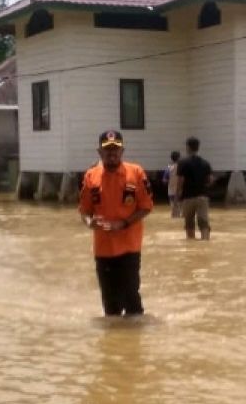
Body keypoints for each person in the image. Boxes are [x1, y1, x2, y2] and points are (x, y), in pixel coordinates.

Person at [78, 130, 153, 316]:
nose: (112, 154)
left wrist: (124, 223)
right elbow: (84, 211)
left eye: (116, 149)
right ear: (99, 152)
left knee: (132, 301)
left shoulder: (136, 173)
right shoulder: (90, 176)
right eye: (107, 150)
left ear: (122, 151)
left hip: (129, 248)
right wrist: (90, 222)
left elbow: (146, 207)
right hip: (103, 250)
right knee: (110, 305)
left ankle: (135, 342)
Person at [176, 136, 214, 240]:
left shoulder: (183, 162)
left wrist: (177, 195)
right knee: (204, 222)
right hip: (202, 196)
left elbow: (180, 181)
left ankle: (191, 242)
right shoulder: (206, 163)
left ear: (188, 147)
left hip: (188, 197)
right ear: (198, 147)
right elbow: (210, 180)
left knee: (189, 222)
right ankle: (205, 241)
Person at [162, 150, 182, 218]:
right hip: (180, 188)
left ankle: (174, 214)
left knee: (172, 201)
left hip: (171, 188)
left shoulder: (169, 167)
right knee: (180, 201)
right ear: (179, 157)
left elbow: (164, 180)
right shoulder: (182, 167)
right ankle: (179, 213)